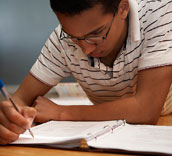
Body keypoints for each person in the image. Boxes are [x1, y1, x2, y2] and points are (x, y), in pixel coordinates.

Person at [0, 0, 172, 145]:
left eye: (96, 33)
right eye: (74, 37)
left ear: (123, 8)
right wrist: (8, 118)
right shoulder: (62, 39)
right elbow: (20, 99)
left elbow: (146, 110)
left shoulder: (159, 12)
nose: (86, 49)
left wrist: (62, 113)